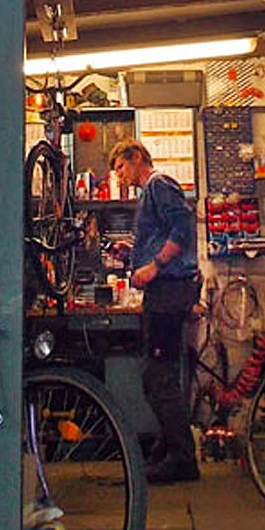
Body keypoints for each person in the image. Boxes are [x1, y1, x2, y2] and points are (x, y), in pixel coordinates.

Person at [109, 139, 201, 483]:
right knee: (159, 373)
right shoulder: (149, 193)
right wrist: (133, 252)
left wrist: (155, 266)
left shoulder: (158, 184)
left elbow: (183, 227)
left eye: (121, 167)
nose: (119, 176)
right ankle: (169, 448)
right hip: (166, 290)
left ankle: (181, 458)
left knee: (158, 374)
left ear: (136, 157)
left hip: (169, 290)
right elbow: (164, 234)